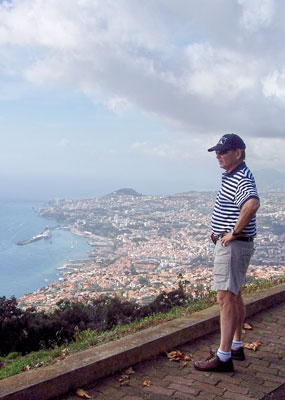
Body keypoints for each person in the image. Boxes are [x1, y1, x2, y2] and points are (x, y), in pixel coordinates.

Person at [194, 133, 260, 372]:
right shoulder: (234, 175)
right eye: (217, 152)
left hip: (232, 247)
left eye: (223, 152)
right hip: (236, 246)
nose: (218, 156)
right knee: (234, 294)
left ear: (238, 153)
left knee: (224, 298)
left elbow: (252, 203)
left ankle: (223, 358)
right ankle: (235, 346)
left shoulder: (241, 177)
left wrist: (233, 232)